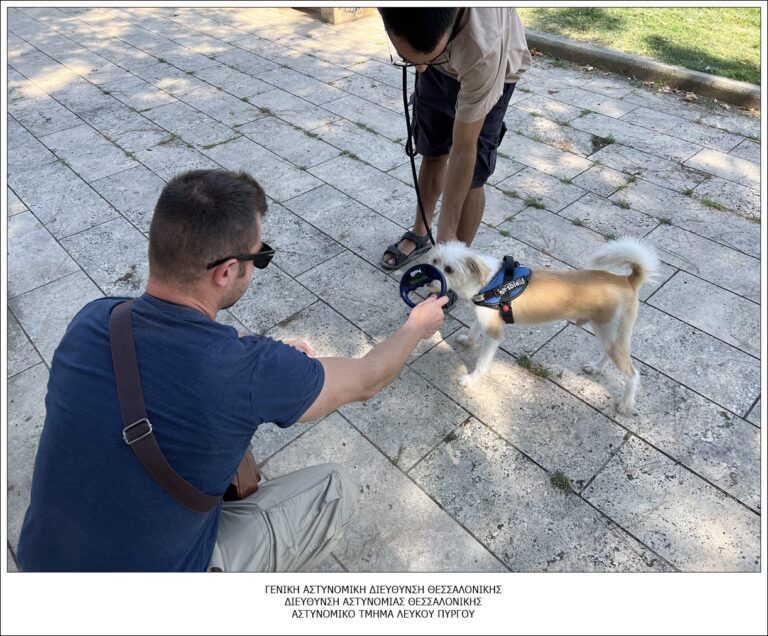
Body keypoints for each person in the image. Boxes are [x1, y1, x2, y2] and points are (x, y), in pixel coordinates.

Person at [17, 169, 448, 572]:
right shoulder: (250, 370)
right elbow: (369, 377)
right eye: (259, 257)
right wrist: (417, 325)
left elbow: (177, 364)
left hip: (39, 569)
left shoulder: (93, 319)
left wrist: (256, 362)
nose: (257, 266)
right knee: (333, 490)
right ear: (226, 271)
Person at [379, 7, 532, 269]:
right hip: (437, 63)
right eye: (406, 58)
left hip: (491, 71)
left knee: (472, 175)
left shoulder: (484, 50)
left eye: (423, 57)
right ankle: (420, 232)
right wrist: (422, 61)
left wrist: (446, 232)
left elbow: (463, 148)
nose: (418, 66)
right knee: (433, 150)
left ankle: (455, 261)